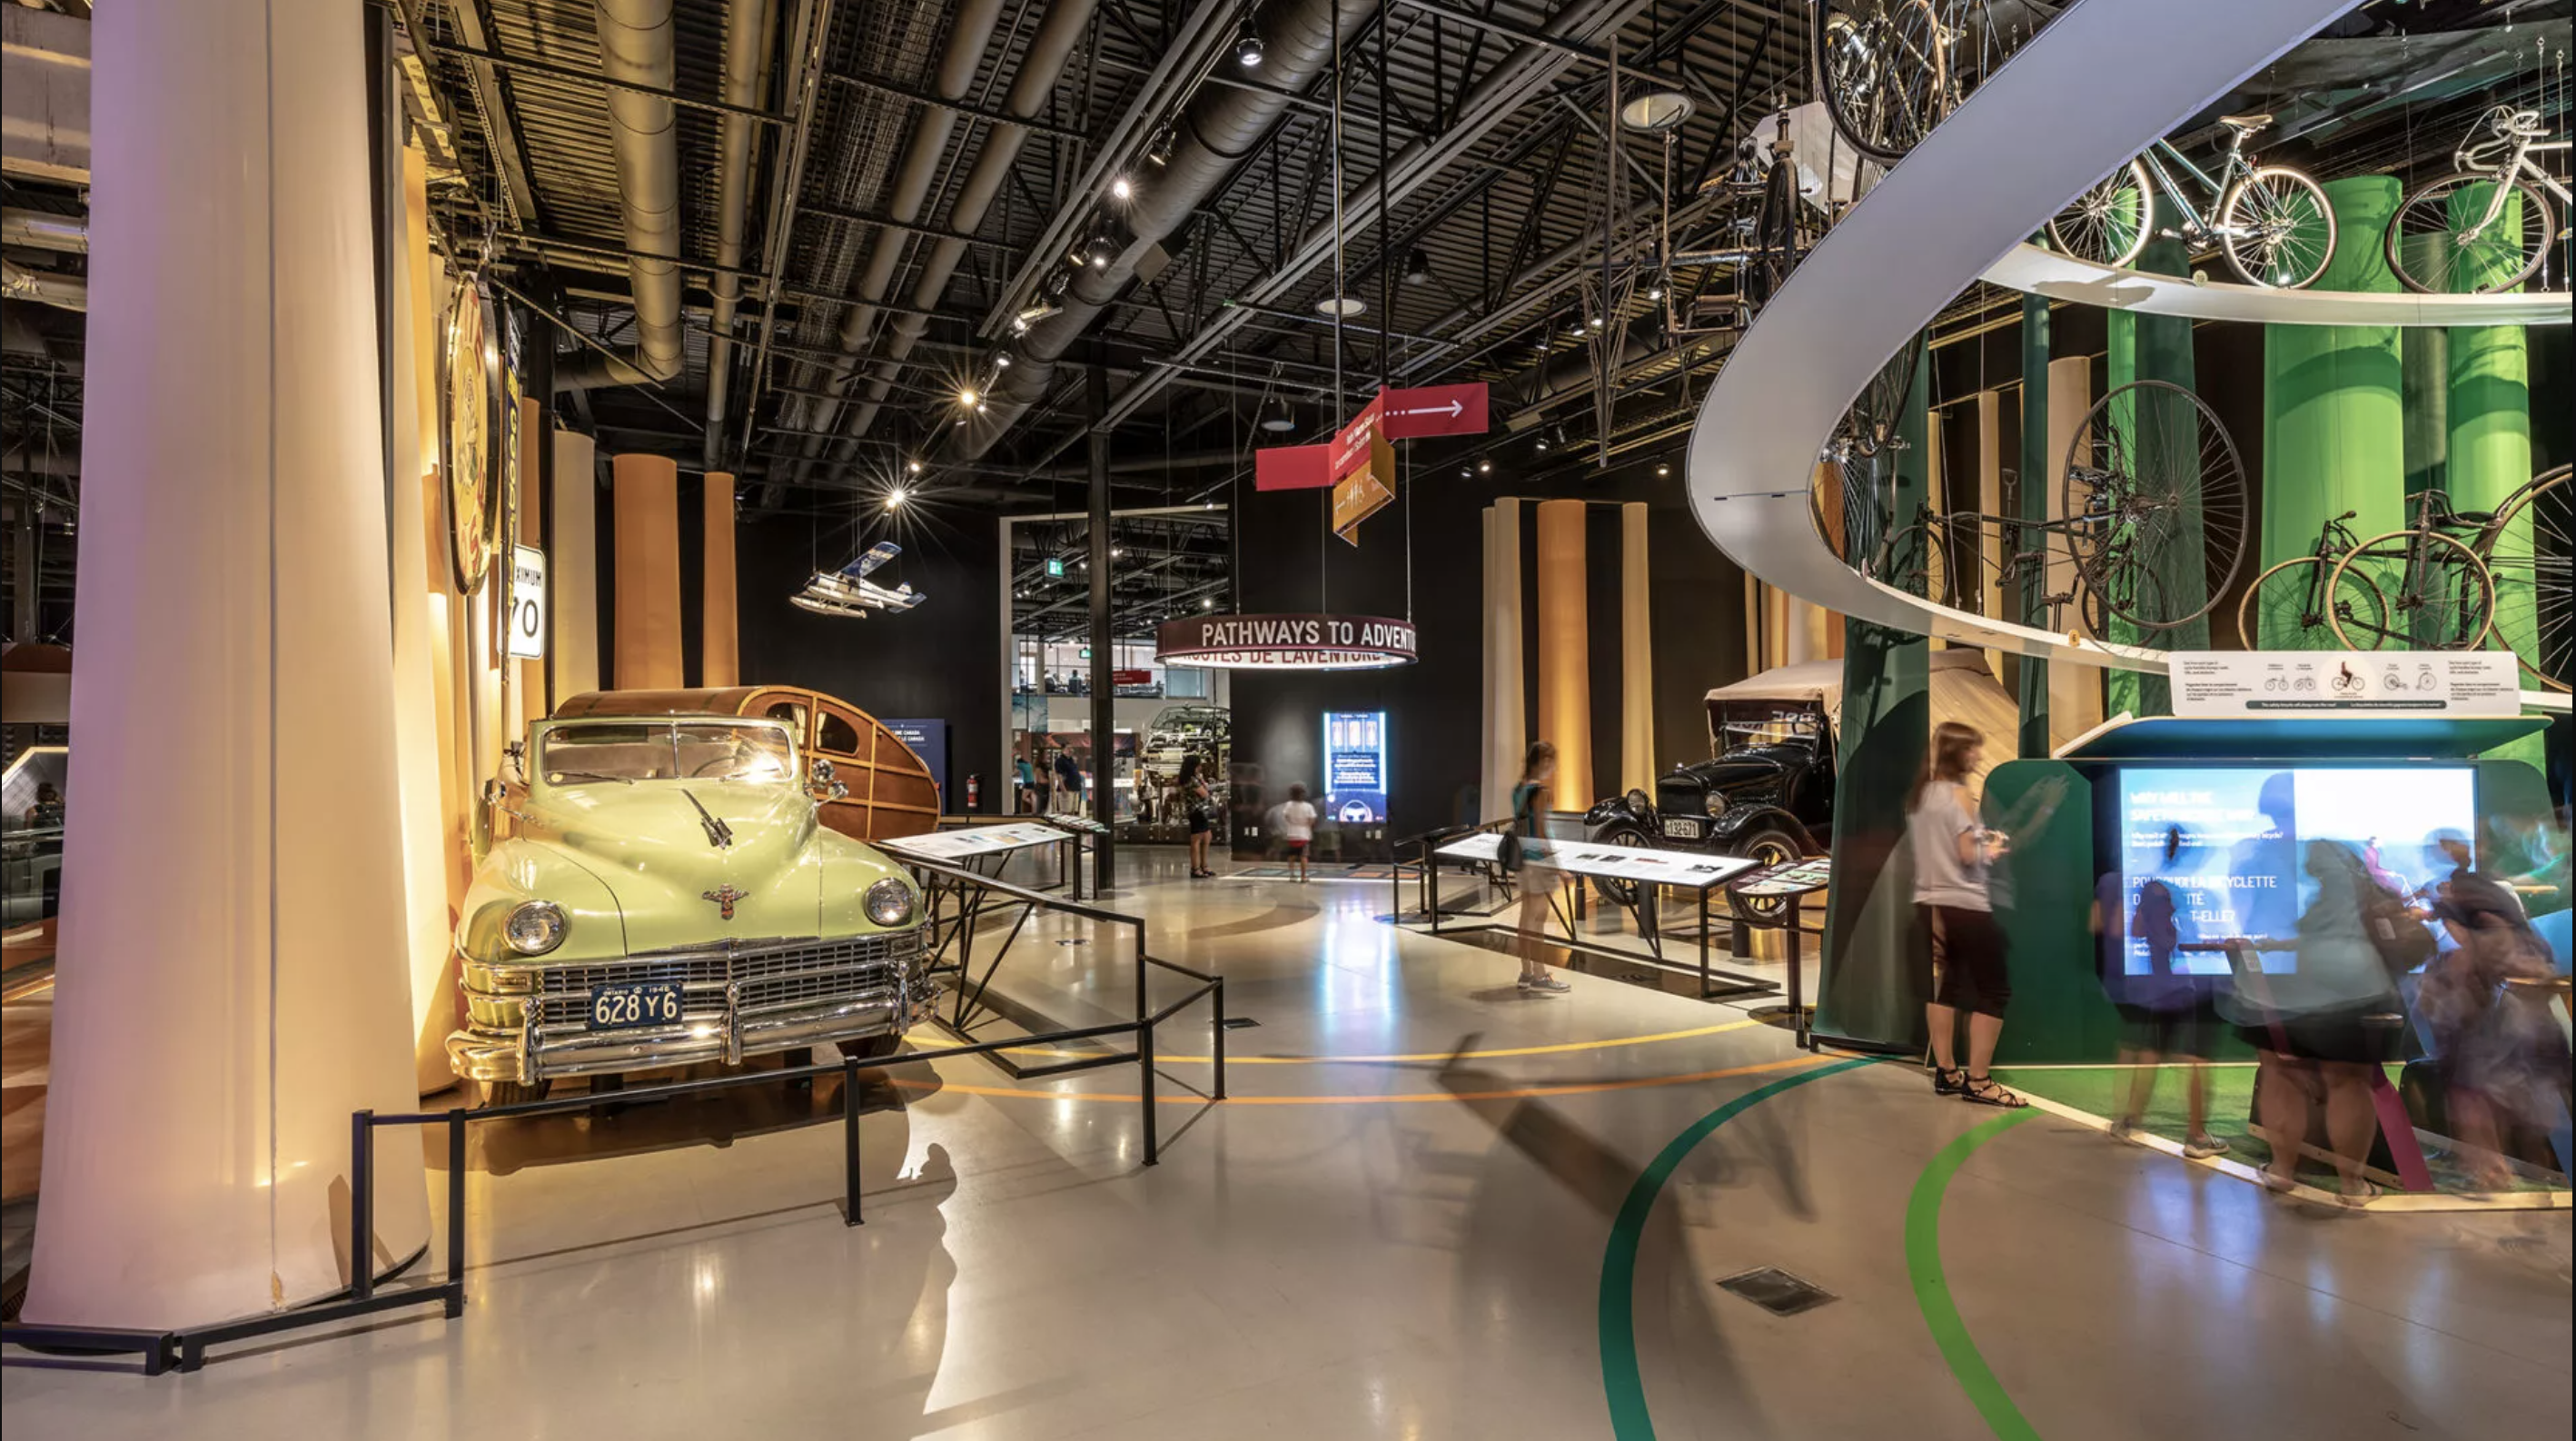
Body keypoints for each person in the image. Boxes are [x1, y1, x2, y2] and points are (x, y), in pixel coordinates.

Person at [2094, 827, 2227, 1157]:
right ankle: (2196, 1136)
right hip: (2190, 982)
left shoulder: (2148, 886)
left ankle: (2130, 1120)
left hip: (2159, 983)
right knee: (2196, 1055)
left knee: (2151, 1049)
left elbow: (2135, 930)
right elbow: (2180, 938)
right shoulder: (2182, 888)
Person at [1910, 721, 2024, 1108]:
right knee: (1995, 990)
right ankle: (1979, 1081)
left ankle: (1947, 1071)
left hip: (1930, 902)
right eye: (1972, 749)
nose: (1977, 756)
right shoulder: (1957, 795)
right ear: (1957, 753)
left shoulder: (1923, 795)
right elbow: (1964, 853)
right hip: (1965, 903)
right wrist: (1991, 850)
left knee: (1949, 986)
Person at [1508, 741, 1570, 994]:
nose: (1553, 766)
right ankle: (1540, 975)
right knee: (1538, 919)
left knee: (1525, 917)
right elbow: (1543, 833)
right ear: (1543, 761)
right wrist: (1559, 868)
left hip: (1521, 858)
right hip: (1538, 860)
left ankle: (1526, 972)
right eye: (1551, 761)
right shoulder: (1540, 791)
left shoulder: (1517, 789)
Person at [1180, 754, 1217, 880]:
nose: (1200, 767)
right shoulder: (1191, 781)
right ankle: (1195, 868)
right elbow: (1205, 793)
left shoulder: (1194, 779)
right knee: (1196, 840)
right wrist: (1203, 783)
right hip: (1197, 812)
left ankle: (1204, 866)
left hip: (1201, 811)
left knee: (1207, 836)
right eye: (1198, 765)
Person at [1278, 782, 1318, 883]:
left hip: (1292, 834)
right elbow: (1312, 820)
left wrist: (1293, 823)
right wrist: (1305, 825)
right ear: (1303, 794)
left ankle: (1292, 875)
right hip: (1304, 834)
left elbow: (1286, 817)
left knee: (1291, 856)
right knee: (1303, 856)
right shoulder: (1308, 806)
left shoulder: (1288, 805)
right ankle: (1303, 877)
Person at [1054, 747, 1085, 815]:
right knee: (1066, 812)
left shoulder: (1071, 760)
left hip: (1075, 789)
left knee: (1073, 812)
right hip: (1067, 789)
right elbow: (1059, 776)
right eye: (1068, 748)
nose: (1071, 750)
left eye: (1071, 748)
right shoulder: (1060, 760)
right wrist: (1063, 789)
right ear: (1063, 750)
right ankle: (1062, 825)